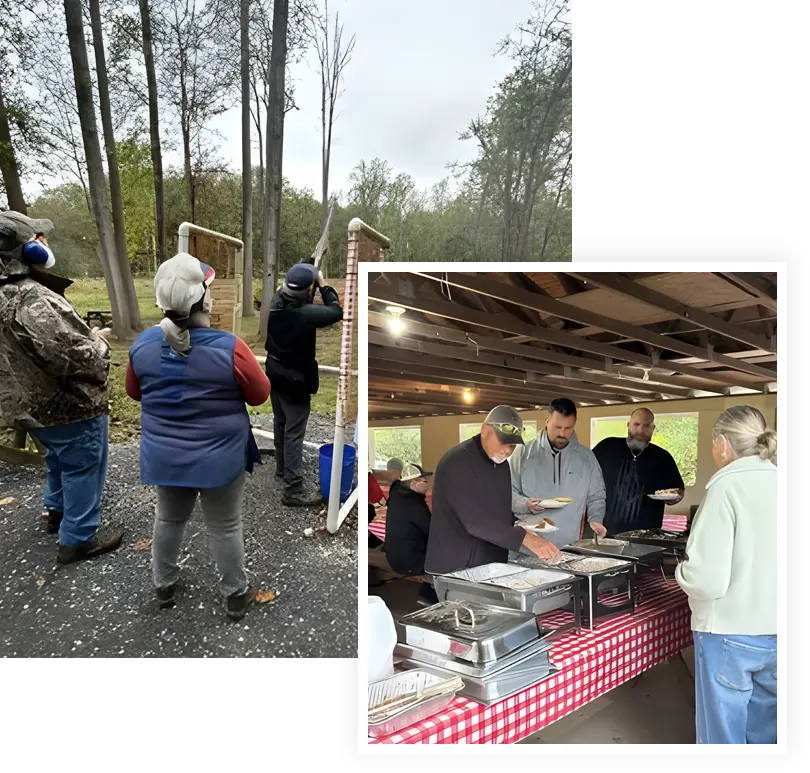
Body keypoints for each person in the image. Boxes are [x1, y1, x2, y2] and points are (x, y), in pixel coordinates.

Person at [126, 253, 271, 621]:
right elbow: (259, 393)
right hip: (220, 459)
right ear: (203, 300)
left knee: (169, 519)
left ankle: (164, 585)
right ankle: (235, 595)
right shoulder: (231, 347)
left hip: (165, 457)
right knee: (225, 525)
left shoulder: (141, 346)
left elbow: (134, 391)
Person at [0, 211, 123, 564]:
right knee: (83, 464)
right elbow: (73, 357)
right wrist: (98, 344)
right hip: (66, 405)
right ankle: (78, 538)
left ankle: (55, 510)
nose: (45, 243)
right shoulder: (30, 298)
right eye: (39, 238)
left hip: (25, 405)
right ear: (28, 251)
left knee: (57, 457)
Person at [675, 406, 777, 745]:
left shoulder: (725, 487)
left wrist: (680, 570)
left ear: (722, 443)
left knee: (723, 734)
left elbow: (706, 580)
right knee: (767, 730)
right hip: (777, 630)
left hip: (729, 633)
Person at [424, 405, 559, 575]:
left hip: (488, 561)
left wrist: (524, 524)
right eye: (503, 442)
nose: (507, 451)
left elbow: (499, 509)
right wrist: (525, 538)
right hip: (457, 565)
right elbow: (474, 521)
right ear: (484, 431)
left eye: (512, 446)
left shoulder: (501, 466)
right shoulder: (458, 462)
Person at [265, 263, 343, 506]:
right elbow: (335, 311)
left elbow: (297, 274)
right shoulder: (303, 314)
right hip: (294, 379)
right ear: (307, 291)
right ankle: (293, 488)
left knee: (281, 422)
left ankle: (282, 468)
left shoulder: (278, 298)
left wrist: (308, 266)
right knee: (294, 431)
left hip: (274, 371)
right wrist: (322, 284)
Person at [509, 398, 607, 550]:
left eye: (568, 428)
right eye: (557, 427)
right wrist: (525, 504)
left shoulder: (586, 458)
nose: (562, 433)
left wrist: (595, 520)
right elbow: (507, 493)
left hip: (568, 549)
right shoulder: (523, 453)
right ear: (547, 421)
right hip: (527, 549)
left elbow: (597, 496)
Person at [592, 407, 685, 535]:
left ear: (653, 429)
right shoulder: (607, 447)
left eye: (646, 426)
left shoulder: (663, 458)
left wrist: (673, 498)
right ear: (628, 425)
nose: (640, 430)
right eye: (636, 424)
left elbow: (677, 491)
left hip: (646, 537)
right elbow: (585, 477)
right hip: (605, 533)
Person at [385, 464, 438, 604]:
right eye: (425, 481)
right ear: (414, 484)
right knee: (444, 553)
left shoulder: (396, 495)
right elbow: (433, 531)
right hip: (410, 561)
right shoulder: (415, 506)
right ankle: (428, 594)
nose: (427, 485)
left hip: (394, 554)